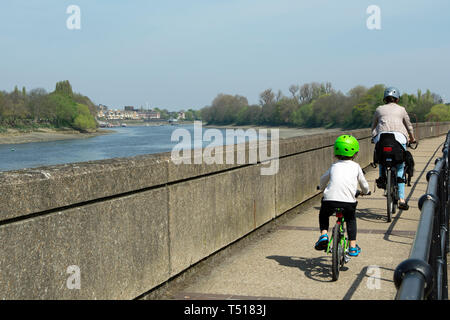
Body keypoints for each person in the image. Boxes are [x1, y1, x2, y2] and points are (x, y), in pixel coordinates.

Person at [314, 135, 370, 257]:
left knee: (323, 214)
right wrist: (365, 191)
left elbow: (323, 179)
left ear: (335, 152)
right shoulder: (356, 167)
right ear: (355, 153)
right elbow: (364, 184)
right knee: (351, 219)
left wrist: (321, 187)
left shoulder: (334, 166)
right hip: (348, 203)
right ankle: (352, 247)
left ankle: (324, 235)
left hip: (330, 201)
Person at [371, 87, 416, 210]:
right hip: (399, 139)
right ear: (397, 99)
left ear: (385, 99)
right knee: (400, 167)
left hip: (382, 138)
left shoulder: (379, 109)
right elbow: (409, 126)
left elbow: (374, 125)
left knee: (381, 158)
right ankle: (401, 199)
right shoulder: (401, 110)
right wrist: (412, 138)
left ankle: (382, 177)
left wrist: (373, 136)